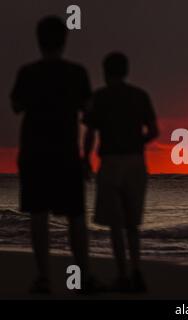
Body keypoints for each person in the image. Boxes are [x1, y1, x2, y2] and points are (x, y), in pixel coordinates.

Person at [10, 16, 92, 293]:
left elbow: (16, 105)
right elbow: (88, 111)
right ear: (64, 40)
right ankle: (83, 275)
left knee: (38, 214)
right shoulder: (76, 73)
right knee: (76, 215)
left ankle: (44, 276)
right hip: (66, 151)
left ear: (38, 40)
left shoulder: (28, 73)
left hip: (35, 152)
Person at [83, 52, 159, 292]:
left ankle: (123, 275)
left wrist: (85, 159)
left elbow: (90, 132)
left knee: (116, 223)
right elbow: (154, 131)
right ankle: (136, 271)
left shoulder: (100, 97)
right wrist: (137, 141)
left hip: (111, 161)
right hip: (136, 161)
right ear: (126, 71)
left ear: (106, 72)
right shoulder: (139, 96)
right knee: (132, 223)